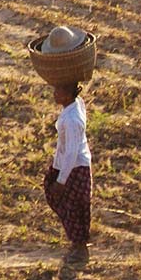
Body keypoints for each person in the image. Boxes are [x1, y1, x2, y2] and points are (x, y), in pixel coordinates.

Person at [40, 26, 93, 263]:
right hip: (71, 164)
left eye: (57, 90)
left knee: (72, 207)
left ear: (67, 92)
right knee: (73, 207)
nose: (54, 94)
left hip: (74, 167)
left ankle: (79, 248)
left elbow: (72, 151)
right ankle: (79, 245)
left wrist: (62, 179)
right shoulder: (76, 105)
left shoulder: (71, 119)